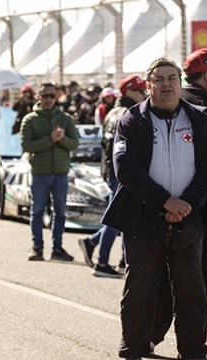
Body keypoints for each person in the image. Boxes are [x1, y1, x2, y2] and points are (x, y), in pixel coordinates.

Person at [103, 58, 207, 360]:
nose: (166, 84)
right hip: (143, 218)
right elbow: (124, 168)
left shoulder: (199, 118)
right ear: (148, 85)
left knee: (192, 293)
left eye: (172, 78)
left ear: (181, 83)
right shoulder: (132, 120)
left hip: (189, 217)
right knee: (139, 291)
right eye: (159, 79)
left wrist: (186, 204)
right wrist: (165, 201)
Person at [150, 48, 207, 360]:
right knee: (199, 278)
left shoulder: (172, 104)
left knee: (161, 276)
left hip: (162, 201)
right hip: (204, 206)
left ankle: (149, 336)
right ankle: (195, 343)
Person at [79, 75, 146, 277]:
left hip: (111, 170)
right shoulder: (128, 113)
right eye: (141, 91)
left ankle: (118, 258)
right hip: (120, 173)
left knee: (123, 216)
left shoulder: (112, 112)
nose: (144, 94)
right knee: (117, 217)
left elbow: (105, 146)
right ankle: (102, 262)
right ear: (130, 92)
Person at [21, 82, 79, 261]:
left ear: (57, 97)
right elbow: (26, 145)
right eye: (44, 96)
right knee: (37, 211)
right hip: (40, 172)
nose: (48, 99)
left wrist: (61, 139)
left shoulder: (65, 118)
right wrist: (51, 139)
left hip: (61, 172)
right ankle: (37, 247)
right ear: (38, 97)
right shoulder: (30, 119)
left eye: (51, 96)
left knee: (60, 212)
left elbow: (74, 143)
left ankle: (57, 248)